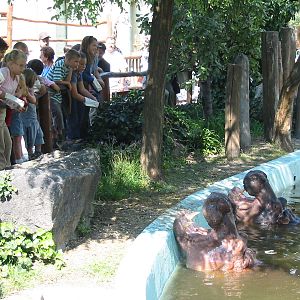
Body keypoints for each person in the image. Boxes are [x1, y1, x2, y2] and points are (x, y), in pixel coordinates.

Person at [46, 49, 80, 147]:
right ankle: (58, 137)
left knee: (62, 114)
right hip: (51, 93)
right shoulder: (60, 64)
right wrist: (67, 83)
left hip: (58, 94)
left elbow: (67, 80)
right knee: (57, 114)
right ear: (68, 59)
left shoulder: (68, 66)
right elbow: (57, 80)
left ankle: (60, 136)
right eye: (76, 61)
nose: (77, 64)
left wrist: (70, 70)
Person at [0, 49, 27, 169]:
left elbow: (10, 98)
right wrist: (10, 98)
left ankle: (6, 167)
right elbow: (4, 95)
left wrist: (18, 105)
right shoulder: (3, 72)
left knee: (7, 143)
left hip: (3, 113)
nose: (23, 68)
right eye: (20, 65)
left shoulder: (16, 79)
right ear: (11, 64)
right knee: (1, 144)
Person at [67, 51, 98, 141]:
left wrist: (93, 98)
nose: (83, 66)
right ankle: (72, 138)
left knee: (80, 117)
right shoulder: (73, 74)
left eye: (85, 64)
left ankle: (80, 136)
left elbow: (82, 89)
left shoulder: (79, 73)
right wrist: (87, 100)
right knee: (74, 118)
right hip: (70, 99)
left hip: (78, 98)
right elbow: (75, 93)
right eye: (81, 64)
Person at [20, 68, 44, 159]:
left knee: (38, 136)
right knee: (29, 138)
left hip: (33, 118)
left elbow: (34, 99)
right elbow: (33, 100)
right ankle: (30, 154)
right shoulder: (23, 89)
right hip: (27, 119)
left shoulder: (29, 89)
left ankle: (38, 152)